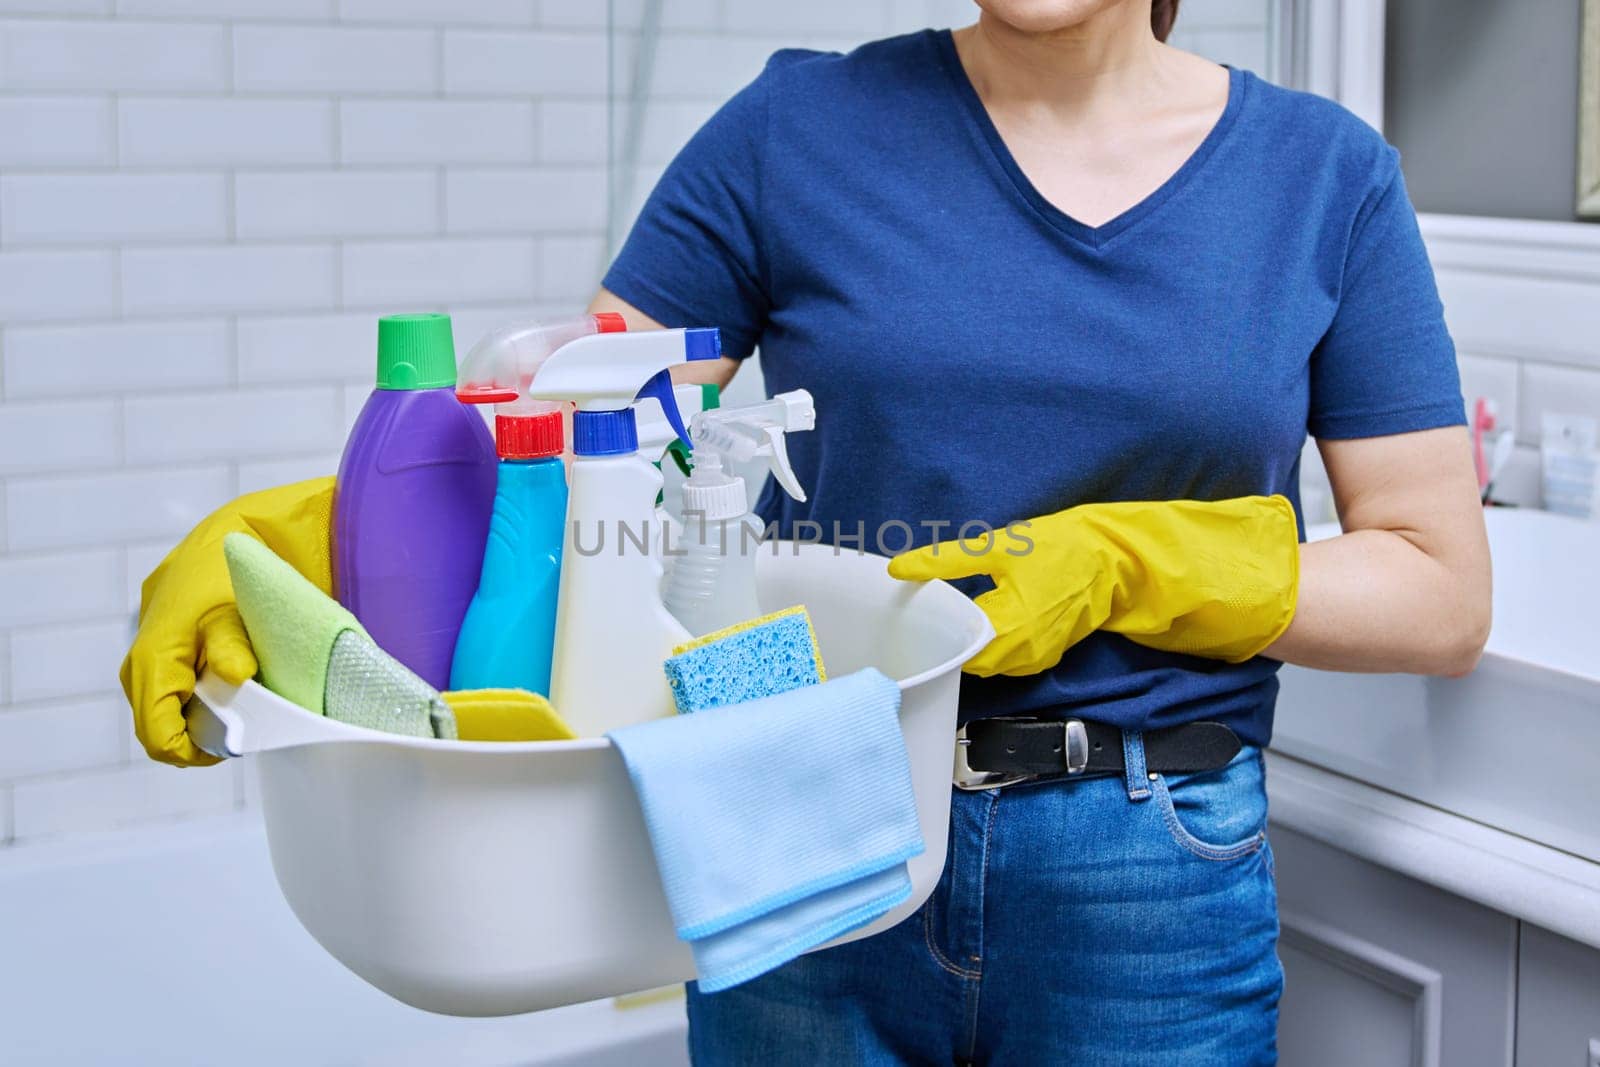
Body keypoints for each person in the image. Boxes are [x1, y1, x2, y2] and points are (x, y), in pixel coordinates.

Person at [122, 0, 1490, 1062]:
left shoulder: (1325, 180)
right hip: (802, 814)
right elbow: (593, 436)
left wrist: (1128, 565)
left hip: (1147, 869)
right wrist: (327, 532)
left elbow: (1436, 589)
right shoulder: (797, 131)